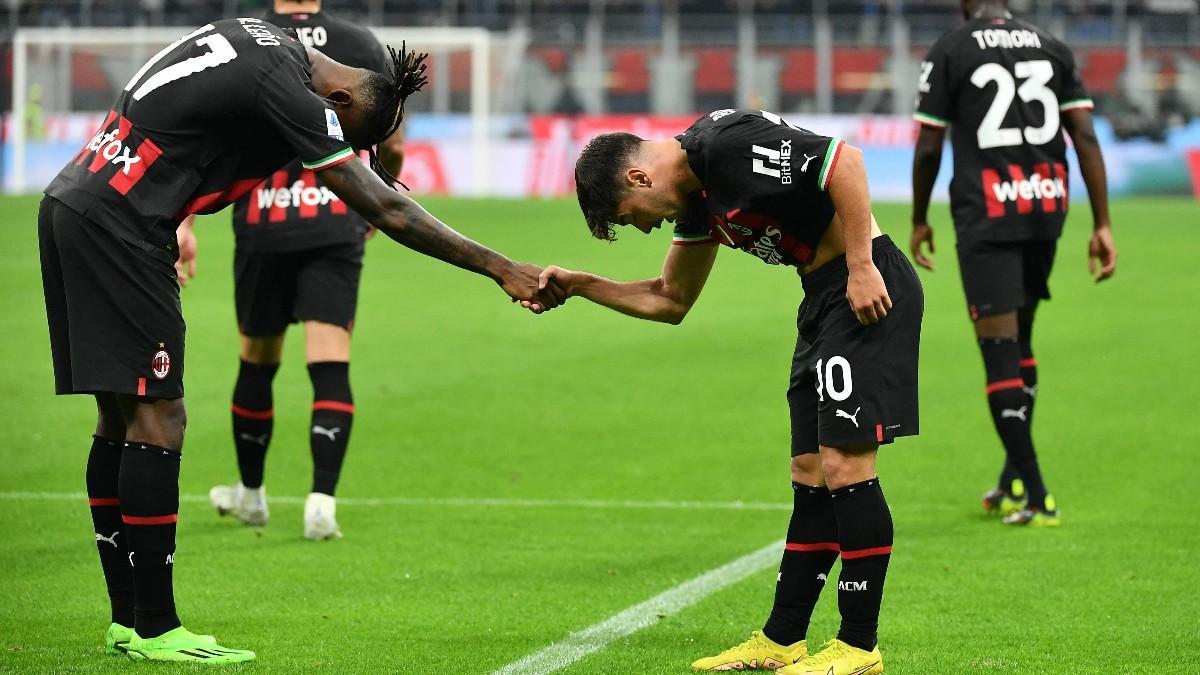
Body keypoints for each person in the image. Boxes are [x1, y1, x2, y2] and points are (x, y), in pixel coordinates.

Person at [39, 18, 561, 663]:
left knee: (120, 416)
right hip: (121, 226)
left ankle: (127, 620)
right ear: (338, 104)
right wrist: (500, 267)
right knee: (158, 416)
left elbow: (206, 119)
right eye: (342, 136)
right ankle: (155, 626)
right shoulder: (287, 84)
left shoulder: (262, 39)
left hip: (79, 199)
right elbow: (387, 211)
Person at [536, 108, 923, 674]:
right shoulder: (697, 198)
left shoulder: (725, 145)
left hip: (865, 290)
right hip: (821, 299)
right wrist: (581, 285)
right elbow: (671, 299)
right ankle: (783, 639)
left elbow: (845, 162)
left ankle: (859, 648)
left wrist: (862, 265)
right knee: (810, 470)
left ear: (639, 178)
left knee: (845, 468)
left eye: (631, 216)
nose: (643, 228)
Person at [203, 0, 406, 542]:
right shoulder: (357, 42)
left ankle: (251, 496)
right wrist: (378, 203)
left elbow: (212, 125)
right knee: (330, 360)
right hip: (334, 214)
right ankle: (322, 503)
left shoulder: (246, 32)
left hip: (263, 215)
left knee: (257, 360)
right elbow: (393, 140)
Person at [911, 0, 1117, 526]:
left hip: (989, 215)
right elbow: (1086, 138)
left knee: (1000, 351)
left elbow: (930, 144)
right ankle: (1012, 479)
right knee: (1021, 343)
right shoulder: (1052, 46)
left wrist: (919, 218)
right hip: (1047, 205)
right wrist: (1102, 223)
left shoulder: (950, 48)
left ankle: (1038, 495)